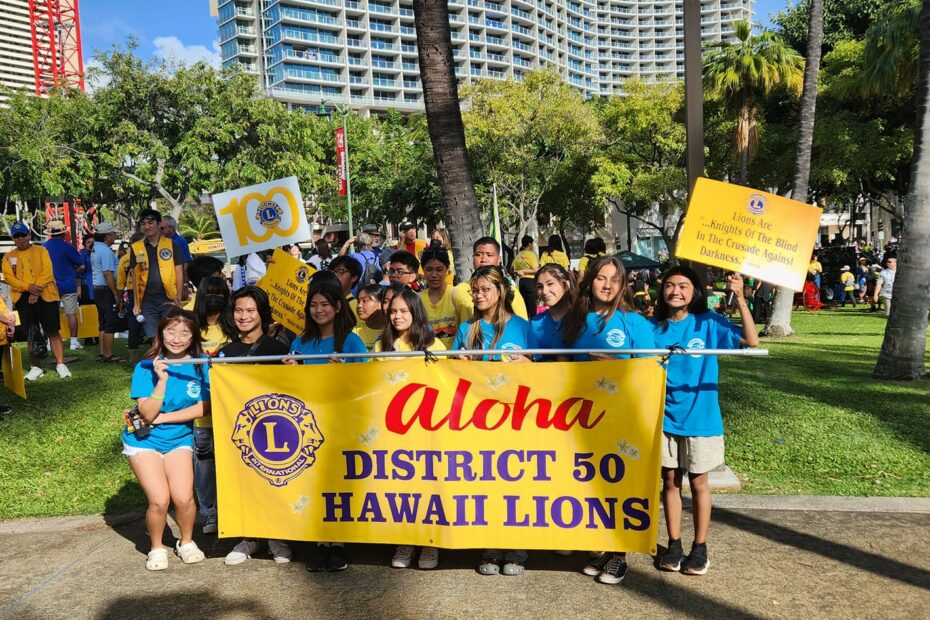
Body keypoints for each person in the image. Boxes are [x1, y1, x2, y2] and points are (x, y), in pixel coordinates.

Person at [651, 266, 758, 576]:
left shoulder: (708, 323)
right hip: (665, 418)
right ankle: (674, 544)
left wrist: (739, 297)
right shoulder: (653, 328)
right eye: (670, 286)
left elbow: (750, 341)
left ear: (694, 291)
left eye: (683, 286)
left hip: (702, 419)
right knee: (670, 481)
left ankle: (700, 548)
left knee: (698, 482)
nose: (675, 291)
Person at [560, 255, 655, 585]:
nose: (608, 285)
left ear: (623, 284)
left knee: (619, 485)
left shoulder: (635, 322)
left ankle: (619, 555)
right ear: (590, 280)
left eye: (615, 279)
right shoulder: (575, 321)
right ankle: (598, 546)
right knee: (588, 481)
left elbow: (653, 371)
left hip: (621, 418)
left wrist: (617, 362)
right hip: (581, 418)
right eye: (602, 277)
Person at [452, 266, 533, 575]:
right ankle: (489, 544)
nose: (480, 295)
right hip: (477, 418)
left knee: (515, 482)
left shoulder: (525, 328)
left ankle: (515, 545)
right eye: (476, 290)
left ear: (501, 291)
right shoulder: (466, 329)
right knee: (484, 482)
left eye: (485, 289)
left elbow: (545, 373)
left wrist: (530, 362)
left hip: (517, 417)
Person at [284, 276, 367, 572]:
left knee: (339, 484)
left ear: (338, 306)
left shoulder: (352, 342)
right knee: (314, 484)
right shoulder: (300, 342)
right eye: (313, 305)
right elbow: (290, 388)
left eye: (324, 305)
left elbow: (368, 384)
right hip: (308, 427)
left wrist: (343, 374)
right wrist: (290, 372)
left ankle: (339, 544)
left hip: (342, 425)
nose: (318, 310)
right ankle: (320, 543)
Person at [123, 308, 209, 571]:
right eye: (171, 331)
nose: (177, 338)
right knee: (159, 500)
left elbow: (204, 407)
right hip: (143, 441)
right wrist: (161, 381)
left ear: (193, 336)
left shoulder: (200, 363)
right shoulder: (146, 365)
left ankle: (186, 542)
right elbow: (146, 413)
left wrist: (164, 419)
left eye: (185, 332)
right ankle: (157, 547)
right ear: (161, 332)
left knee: (183, 498)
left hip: (179, 438)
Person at [219, 286, 293, 565]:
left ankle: (278, 537)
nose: (244, 316)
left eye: (250, 310)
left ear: (262, 313)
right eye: (238, 310)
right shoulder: (226, 353)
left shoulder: (279, 350)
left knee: (275, 481)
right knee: (241, 481)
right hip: (238, 432)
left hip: (275, 430)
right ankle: (248, 538)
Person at [379, 288, 444, 570]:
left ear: (416, 312)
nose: (397, 316)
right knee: (402, 488)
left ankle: (430, 542)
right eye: (393, 311)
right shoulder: (382, 346)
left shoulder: (435, 345)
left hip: (427, 426)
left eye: (404, 311)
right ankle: (405, 539)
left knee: (429, 484)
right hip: (393, 427)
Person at [190, 276, 234, 536]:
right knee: (205, 467)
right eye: (210, 294)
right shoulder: (192, 330)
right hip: (202, 415)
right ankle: (209, 514)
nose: (215, 299)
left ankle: (231, 513)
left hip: (231, 411)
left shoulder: (234, 329)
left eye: (220, 293)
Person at [2, 221, 71, 380]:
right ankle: (35, 366)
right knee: (30, 332)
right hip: (22, 296)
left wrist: (36, 290)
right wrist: (28, 288)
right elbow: (9, 278)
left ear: (29, 235)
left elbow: (47, 272)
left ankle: (60, 364)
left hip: (45, 293)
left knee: (52, 329)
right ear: (13, 238)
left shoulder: (42, 251)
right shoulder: (8, 256)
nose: (21, 239)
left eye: (23, 235)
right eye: (17, 236)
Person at [130, 209, 186, 340]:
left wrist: (178, 295)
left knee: (171, 332)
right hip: (147, 300)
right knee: (153, 336)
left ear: (159, 224)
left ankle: (171, 359)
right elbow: (135, 276)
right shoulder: (136, 248)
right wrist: (136, 303)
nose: (147, 227)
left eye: (150, 222)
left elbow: (179, 271)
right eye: (143, 223)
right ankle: (158, 359)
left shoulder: (172, 245)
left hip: (168, 298)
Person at [451, 237, 528, 319]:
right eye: (478, 255)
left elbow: (522, 327)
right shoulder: (458, 291)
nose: (483, 259)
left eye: (489, 255)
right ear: (472, 259)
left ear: (499, 259)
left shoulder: (511, 291)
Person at [43, 220, 85, 350]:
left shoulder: (44, 248)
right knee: (71, 313)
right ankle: (73, 341)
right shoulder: (68, 247)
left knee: (50, 315)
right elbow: (81, 264)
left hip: (50, 285)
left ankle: (50, 342)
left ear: (50, 234)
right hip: (68, 284)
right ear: (63, 233)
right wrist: (73, 271)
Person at [420, 241, 470, 348]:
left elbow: (467, 333)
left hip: (454, 360)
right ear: (423, 270)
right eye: (429, 270)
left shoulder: (457, 295)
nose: (434, 275)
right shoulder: (417, 300)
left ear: (447, 270)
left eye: (439, 270)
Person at [92, 223, 123, 363]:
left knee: (103, 322)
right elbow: (107, 274)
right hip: (105, 289)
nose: (115, 237)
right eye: (113, 234)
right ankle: (108, 354)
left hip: (98, 288)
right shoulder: (105, 251)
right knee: (110, 321)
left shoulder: (95, 248)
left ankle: (103, 352)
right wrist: (116, 293)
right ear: (107, 236)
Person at [530, 264, 576, 355]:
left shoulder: (584, 318)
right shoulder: (534, 323)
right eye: (540, 287)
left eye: (550, 284)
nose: (544, 291)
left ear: (566, 285)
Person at [328, 255, 363, 320]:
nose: (334, 276)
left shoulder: (358, 308)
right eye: (331, 272)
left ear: (354, 277)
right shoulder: (322, 302)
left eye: (340, 272)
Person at [353, 284, 386, 351]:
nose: (359, 305)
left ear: (382, 303)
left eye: (365, 301)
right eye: (358, 301)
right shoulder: (354, 334)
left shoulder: (393, 332)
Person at [512, 235, 539, 317]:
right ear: (530, 244)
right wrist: (524, 271)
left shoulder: (518, 255)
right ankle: (533, 325)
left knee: (525, 305)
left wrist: (521, 272)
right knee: (532, 305)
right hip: (530, 282)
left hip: (522, 282)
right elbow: (536, 270)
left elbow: (514, 271)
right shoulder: (531, 255)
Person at [79, 235, 95, 305]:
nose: (91, 244)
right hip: (87, 283)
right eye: (88, 242)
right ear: (84, 245)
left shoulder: (97, 253)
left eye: (93, 242)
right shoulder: (83, 254)